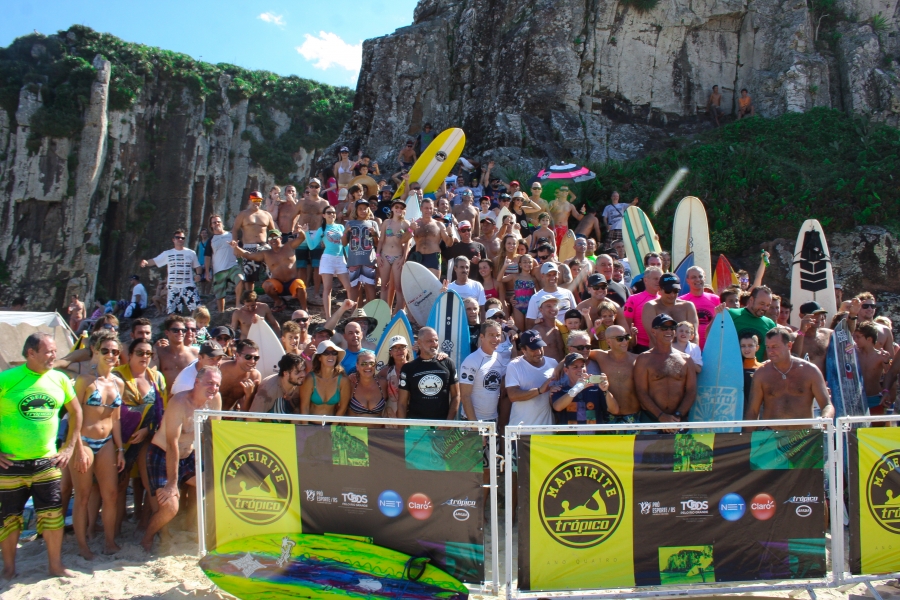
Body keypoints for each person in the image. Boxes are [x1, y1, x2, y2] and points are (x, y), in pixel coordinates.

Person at [0, 333, 82, 578]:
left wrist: (68, 448)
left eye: (55, 351)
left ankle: (55, 566)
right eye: (48, 351)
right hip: (10, 463)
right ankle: (9, 568)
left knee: (52, 516)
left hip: (47, 461)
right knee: (9, 518)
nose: (53, 356)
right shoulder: (6, 379)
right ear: (31, 353)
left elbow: (76, 413)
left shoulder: (61, 379)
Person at [141, 366, 222, 551]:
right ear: (196, 382)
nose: (213, 388)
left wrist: (213, 467)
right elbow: (172, 444)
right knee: (170, 507)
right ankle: (147, 538)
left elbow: (214, 435)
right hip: (162, 454)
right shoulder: (179, 402)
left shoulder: (215, 399)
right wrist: (172, 483)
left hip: (189, 454)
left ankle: (203, 531)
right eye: (209, 383)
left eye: (217, 385)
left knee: (216, 488)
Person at [70, 332, 125, 559]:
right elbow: (73, 416)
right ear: (95, 350)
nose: (111, 355)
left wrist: (120, 449)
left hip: (107, 443)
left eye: (115, 351)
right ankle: (83, 545)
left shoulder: (118, 383)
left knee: (110, 494)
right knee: (82, 496)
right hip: (83, 441)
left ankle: (109, 541)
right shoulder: (84, 380)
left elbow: (116, 419)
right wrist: (78, 447)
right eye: (106, 350)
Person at [111, 338, 166, 535]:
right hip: (119, 439)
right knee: (119, 486)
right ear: (130, 354)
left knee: (149, 481)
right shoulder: (116, 376)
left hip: (147, 437)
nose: (145, 357)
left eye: (148, 354)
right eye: (140, 353)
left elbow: (161, 411)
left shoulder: (157, 378)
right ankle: (115, 529)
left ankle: (151, 526)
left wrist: (148, 431)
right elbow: (111, 411)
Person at [744, 327, 834, 429]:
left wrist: (825, 418)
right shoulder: (761, 374)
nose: (770, 351)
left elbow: (827, 404)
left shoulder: (810, 371)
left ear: (789, 345)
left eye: (775, 346)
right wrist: (748, 440)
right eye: (768, 347)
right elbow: (752, 411)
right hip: (770, 436)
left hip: (804, 437)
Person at [634, 314, 697, 429]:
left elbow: (691, 391)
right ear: (654, 331)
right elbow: (641, 391)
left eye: (672, 328)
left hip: (678, 420)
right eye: (664, 328)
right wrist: (661, 416)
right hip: (651, 420)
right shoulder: (644, 359)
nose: (669, 331)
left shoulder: (686, 359)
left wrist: (677, 416)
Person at [231, 228, 308, 312]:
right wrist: (236, 247)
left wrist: (300, 231)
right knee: (266, 285)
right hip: (278, 285)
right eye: (270, 239)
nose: (273, 240)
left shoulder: (289, 246)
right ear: (268, 241)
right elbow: (249, 255)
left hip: (292, 283)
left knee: (300, 284)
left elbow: (301, 238)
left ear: (281, 238)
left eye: (275, 237)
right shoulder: (266, 254)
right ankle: (278, 301)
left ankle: (304, 309)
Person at [398, 327, 460, 420]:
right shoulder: (408, 368)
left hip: (441, 424)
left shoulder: (448, 363)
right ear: (419, 343)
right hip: (416, 425)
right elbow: (402, 403)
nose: (434, 344)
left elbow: (456, 395)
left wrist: (448, 423)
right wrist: (401, 430)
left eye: (436, 340)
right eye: (430, 341)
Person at [139, 228, 202, 315]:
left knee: (197, 311)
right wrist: (146, 262)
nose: (180, 239)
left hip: (188, 285)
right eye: (178, 237)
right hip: (173, 287)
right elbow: (154, 261)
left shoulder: (191, 253)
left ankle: (198, 327)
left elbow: (197, 266)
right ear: (173, 239)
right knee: (173, 314)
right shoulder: (167, 253)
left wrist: (198, 274)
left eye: (182, 238)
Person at [506, 330, 558, 426]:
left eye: (540, 347)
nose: (538, 352)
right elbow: (512, 395)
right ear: (523, 350)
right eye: (533, 349)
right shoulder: (514, 366)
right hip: (522, 431)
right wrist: (539, 390)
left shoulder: (553, 363)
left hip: (547, 431)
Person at [551, 353, 615, 427]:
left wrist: (606, 391)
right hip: (570, 438)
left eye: (582, 366)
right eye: (575, 367)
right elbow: (557, 407)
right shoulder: (560, 390)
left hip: (594, 437)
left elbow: (614, 410)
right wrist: (577, 388)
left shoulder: (596, 389)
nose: (580, 370)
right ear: (566, 371)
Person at [459, 320, 505, 422]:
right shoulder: (471, 360)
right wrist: (474, 425)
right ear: (482, 337)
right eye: (491, 335)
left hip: (493, 419)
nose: (495, 339)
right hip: (473, 421)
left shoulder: (499, 357)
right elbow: (465, 395)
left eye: (498, 335)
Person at [641, 273, 699, 348]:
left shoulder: (688, 306)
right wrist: (672, 356)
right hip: (660, 354)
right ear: (660, 290)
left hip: (685, 354)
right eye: (668, 291)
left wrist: (693, 354)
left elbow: (694, 334)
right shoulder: (651, 307)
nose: (672, 294)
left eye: (675, 291)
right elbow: (654, 337)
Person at [300, 341, 351, 416]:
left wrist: (333, 426)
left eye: (334, 353)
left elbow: (343, 408)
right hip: (311, 424)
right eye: (326, 353)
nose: (331, 356)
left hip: (331, 424)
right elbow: (304, 407)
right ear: (319, 357)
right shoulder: (310, 378)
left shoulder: (343, 380)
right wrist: (306, 427)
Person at [344, 199, 380, 305]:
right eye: (360, 208)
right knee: (354, 287)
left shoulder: (373, 223)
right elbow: (343, 243)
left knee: (370, 286)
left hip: (369, 260)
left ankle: (372, 312)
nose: (363, 211)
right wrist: (346, 232)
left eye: (365, 208)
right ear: (356, 210)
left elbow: (377, 243)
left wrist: (374, 234)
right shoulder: (350, 223)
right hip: (354, 260)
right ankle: (354, 312)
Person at [377, 198, 411, 309]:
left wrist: (403, 258)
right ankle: (383, 311)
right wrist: (377, 255)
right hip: (385, 255)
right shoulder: (386, 222)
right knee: (383, 286)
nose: (398, 209)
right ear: (392, 208)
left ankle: (400, 311)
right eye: (396, 207)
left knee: (398, 287)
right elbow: (381, 240)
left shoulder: (406, 224)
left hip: (398, 256)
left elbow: (407, 244)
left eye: (401, 208)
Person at [853, 322, 892, 419]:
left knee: (876, 430)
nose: (855, 340)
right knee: (857, 430)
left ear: (869, 339)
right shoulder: (854, 353)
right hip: (858, 399)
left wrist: (886, 362)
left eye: (858, 337)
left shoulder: (880, 356)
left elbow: (890, 374)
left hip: (875, 398)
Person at [728, 286, 776, 362]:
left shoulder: (770, 324)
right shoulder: (731, 314)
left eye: (768, 305)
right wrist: (718, 315)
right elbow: (711, 336)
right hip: (731, 369)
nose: (765, 308)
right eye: (762, 303)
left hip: (756, 371)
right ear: (751, 300)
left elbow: (769, 353)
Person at [204, 214, 241, 311]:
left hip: (232, 266)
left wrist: (236, 248)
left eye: (218, 221)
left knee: (241, 280)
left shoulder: (231, 235)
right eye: (214, 222)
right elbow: (207, 256)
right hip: (219, 270)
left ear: (222, 223)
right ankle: (221, 313)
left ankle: (238, 305)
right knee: (220, 295)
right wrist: (207, 272)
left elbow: (239, 250)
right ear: (211, 225)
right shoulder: (211, 240)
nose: (217, 223)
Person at [156, 315, 199, 395]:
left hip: (189, 401)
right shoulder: (159, 353)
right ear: (167, 332)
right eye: (175, 330)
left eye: (183, 330)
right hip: (167, 401)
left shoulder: (195, 353)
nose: (180, 333)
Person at [679, 266, 721, 348]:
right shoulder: (681, 301)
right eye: (693, 277)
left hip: (711, 346)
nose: (698, 279)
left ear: (704, 278)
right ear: (687, 280)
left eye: (700, 276)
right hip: (689, 347)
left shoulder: (715, 299)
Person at [623, 266, 662, 352]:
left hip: (660, 345)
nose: (658, 281)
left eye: (660, 279)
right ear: (645, 280)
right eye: (655, 279)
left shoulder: (664, 299)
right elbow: (627, 324)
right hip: (640, 346)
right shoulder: (633, 299)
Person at [526, 262, 577, 327]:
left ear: (558, 275)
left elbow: (575, 314)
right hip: (546, 334)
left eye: (554, 274)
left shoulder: (567, 293)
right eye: (549, 275)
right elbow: (530, 324)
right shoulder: (535, 298)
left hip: (566, 333)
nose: (552, 277)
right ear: (542, 276)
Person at [790, 301, 833, 375]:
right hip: (806, 383)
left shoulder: (828, 334)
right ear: (801, 316)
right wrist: (802, 330)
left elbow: (845, 335)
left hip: (826, 383)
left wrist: (852, 316)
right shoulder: (793, 337)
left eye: (820, 314)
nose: (818, 317)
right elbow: (794, 357)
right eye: (814, 314)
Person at [220, 339, 262, 411]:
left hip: (229, 416)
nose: (252, 361)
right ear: (237, 356)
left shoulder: (254, 377)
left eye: (256, 358)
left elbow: (247, 412)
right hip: (207, 413)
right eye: (248, 357)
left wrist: (249, 396)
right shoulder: (220, 369)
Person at [347, 350, 387, 420]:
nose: (368, 366)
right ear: (357, 366)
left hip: (377, 430)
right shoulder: (351, 384)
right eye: (363, 364)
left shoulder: (383, 384)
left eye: (372, 363)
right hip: (353, 430)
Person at [739, 332, 763, 407]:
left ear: (757, 347)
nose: (746, 349)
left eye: (750, 346)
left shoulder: (763, 368)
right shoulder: (736, 368)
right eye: (743, 346)